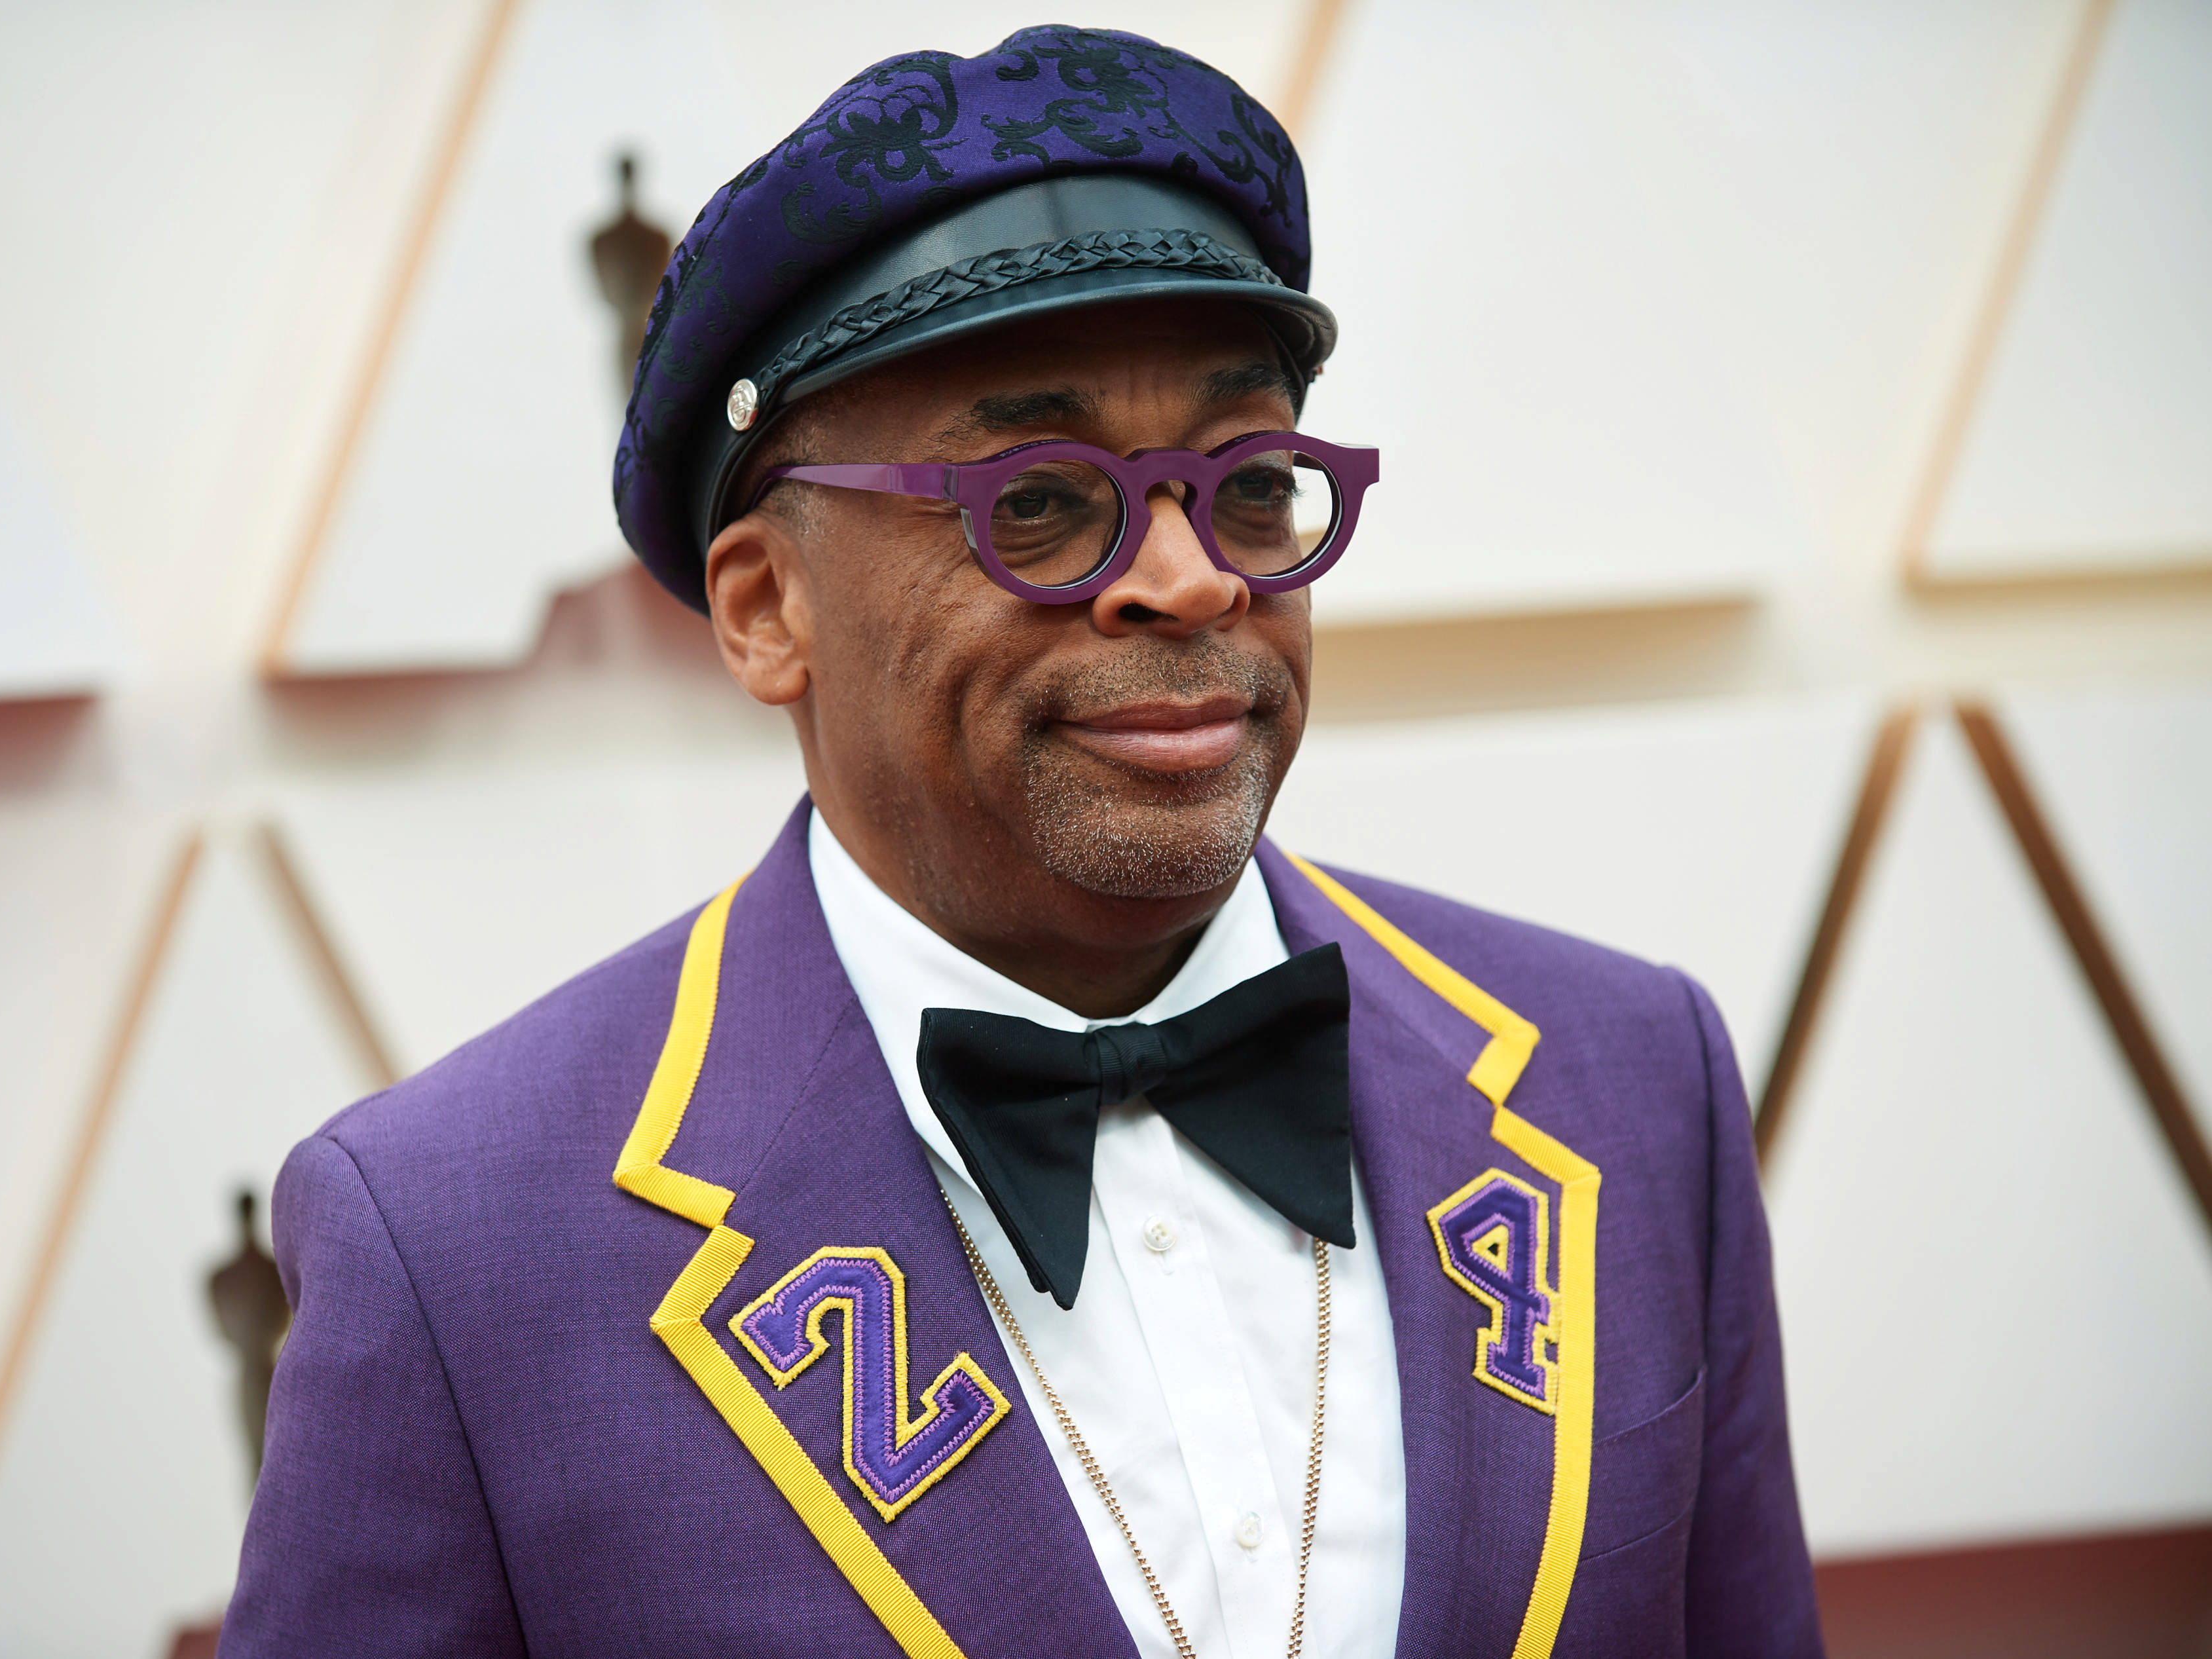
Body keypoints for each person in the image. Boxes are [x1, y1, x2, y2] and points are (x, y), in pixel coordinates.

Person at [224, 26, 1819, 1658]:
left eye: (1252, 483)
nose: (1194, 580)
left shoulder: (1627, 1082)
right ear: (768, 610)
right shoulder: (457, 1248)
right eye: (1041, 504)